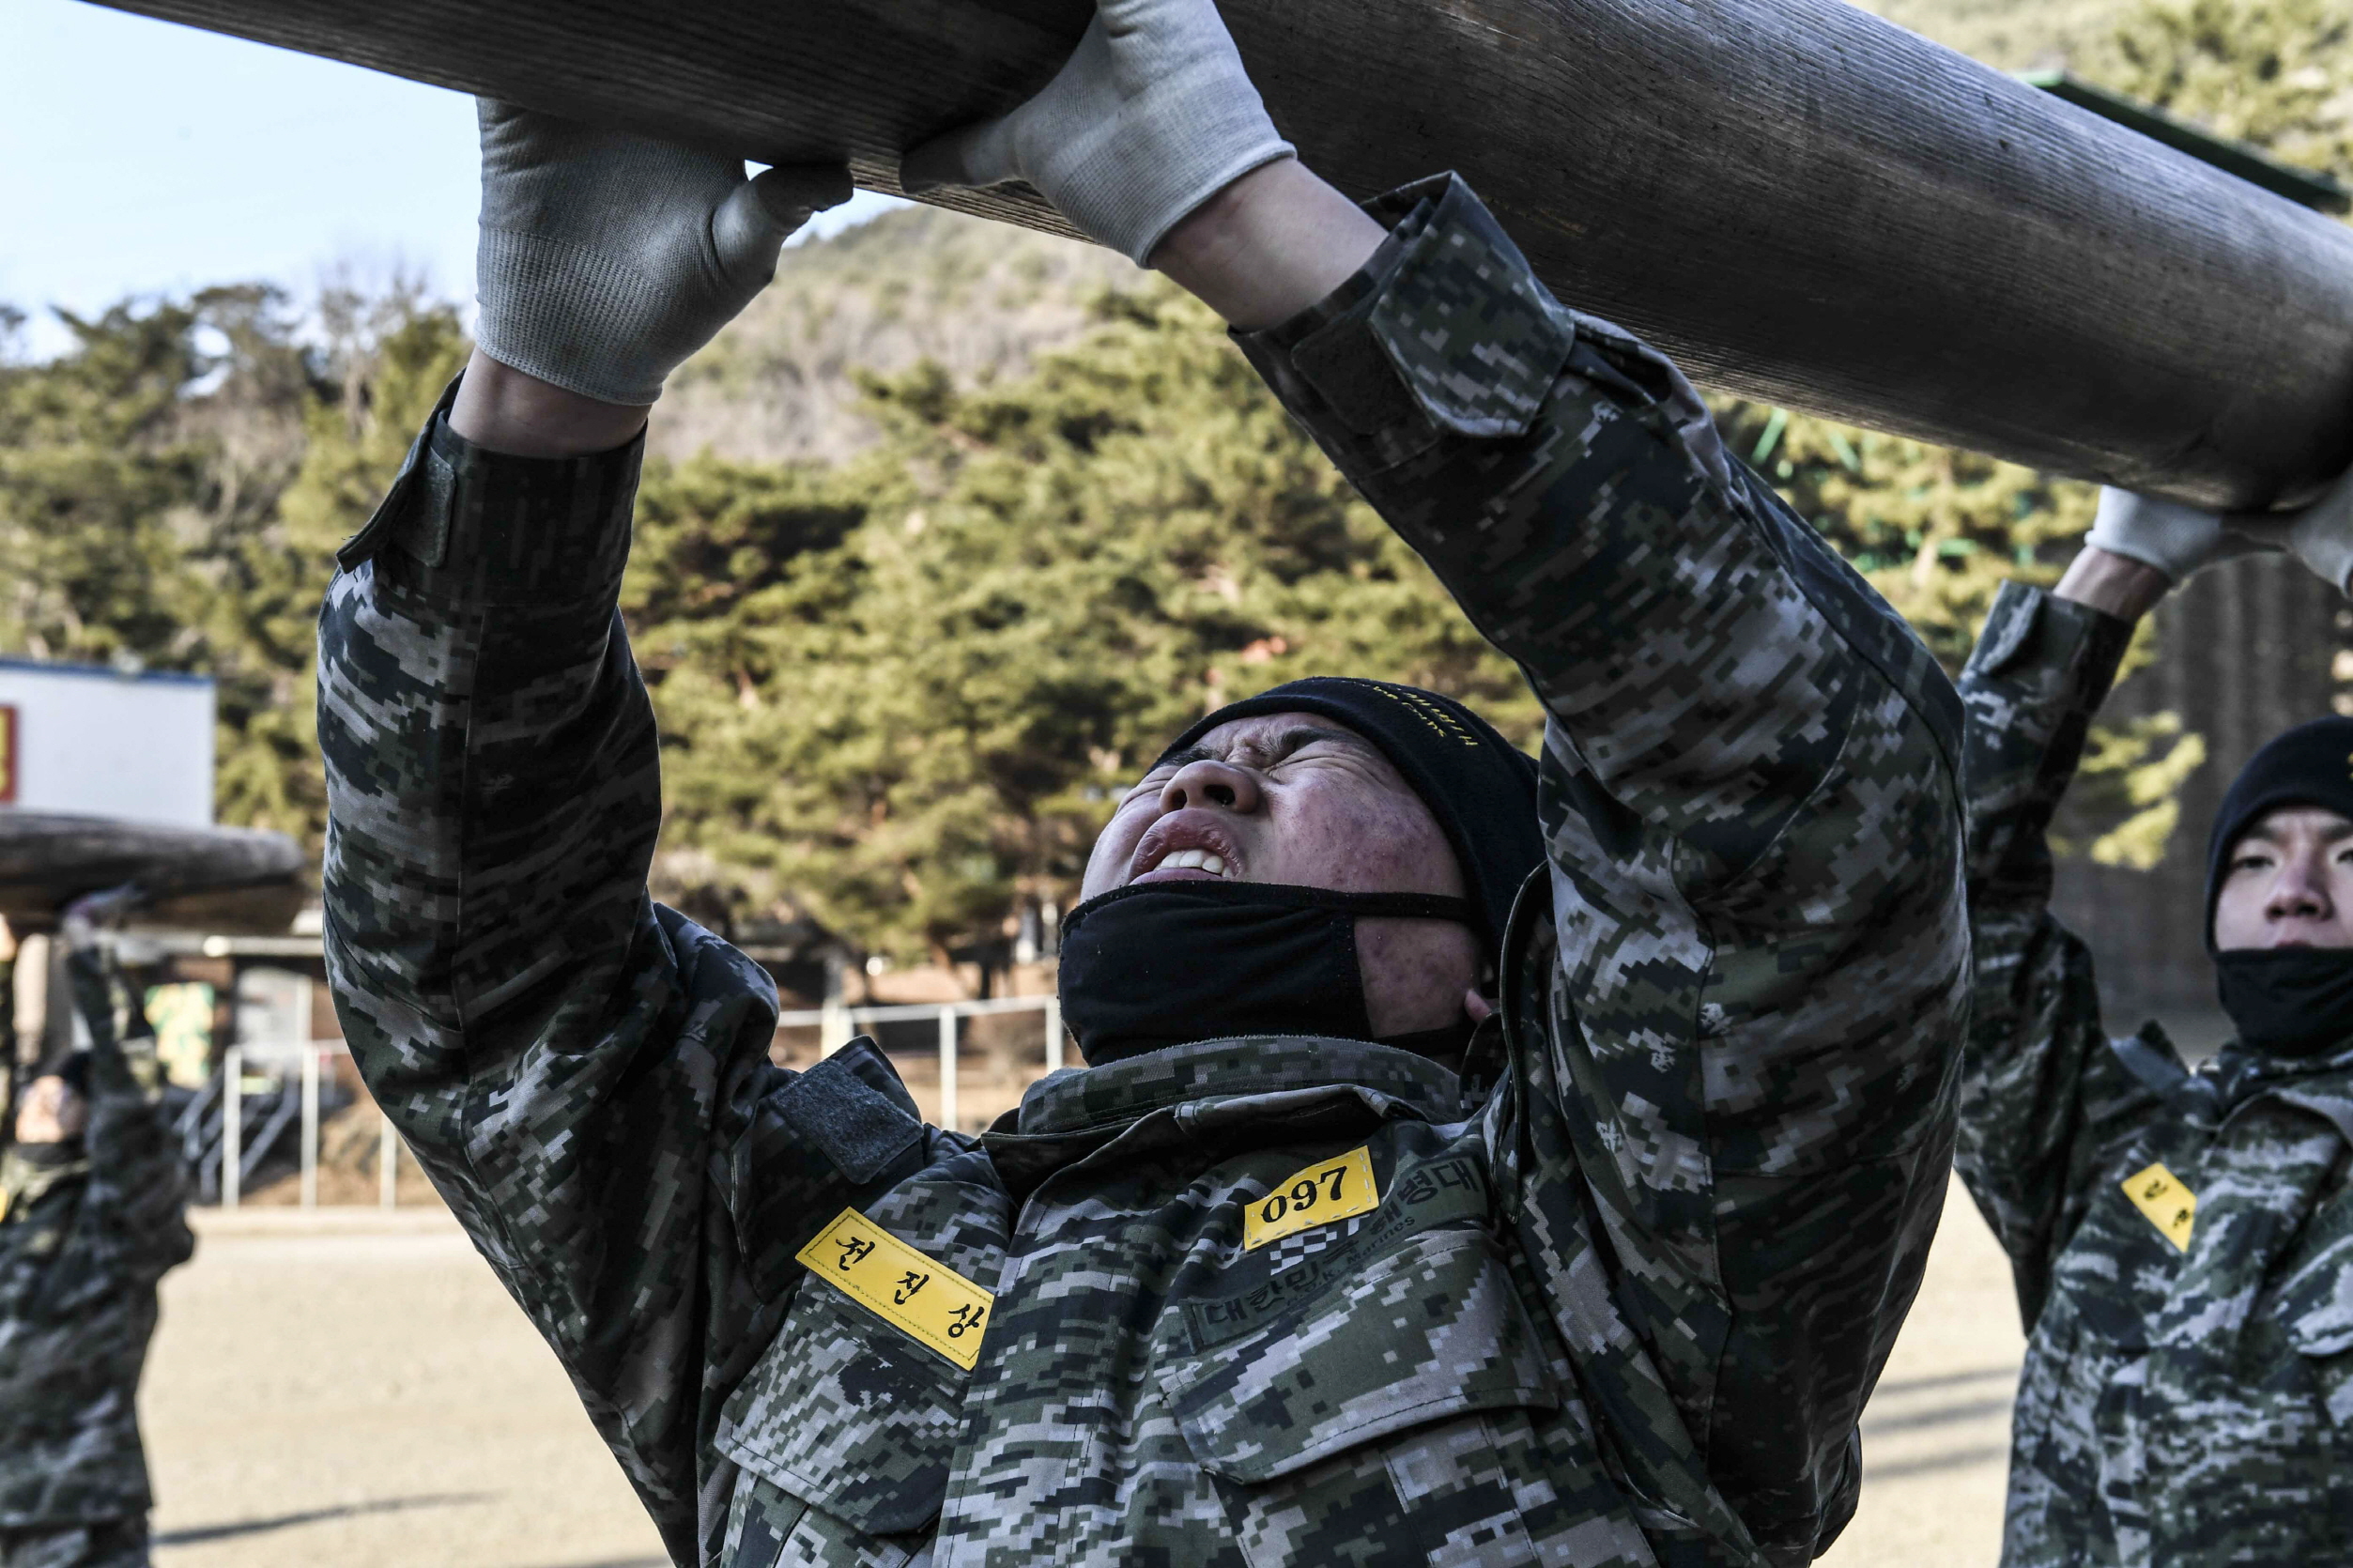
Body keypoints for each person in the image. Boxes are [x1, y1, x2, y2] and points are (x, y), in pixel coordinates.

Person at [317, 1, 1969, 1561]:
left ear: (1498, 957)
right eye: (1181, 764)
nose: (1206, 782)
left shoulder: (1600, 1234)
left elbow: (1802, 797)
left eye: (1307, 757)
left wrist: (1244, 212)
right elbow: (485, 987)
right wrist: (545, 395)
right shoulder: (834, 1235)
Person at [1956, 481, 2353, 1566]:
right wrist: (2118, 566)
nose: (2295, 889)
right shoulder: (2105, 1145)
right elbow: (1939, 896)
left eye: (2350, 855)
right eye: (2257, 858)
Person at [0, 894, 195, 1568]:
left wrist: (89, 956)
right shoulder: (10, 1195)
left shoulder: (116, 1226)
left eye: (70, 1091)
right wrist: (9, 959)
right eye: (43, 1085)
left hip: (72, 1508)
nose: (49, 1094)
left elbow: (134, 1101)